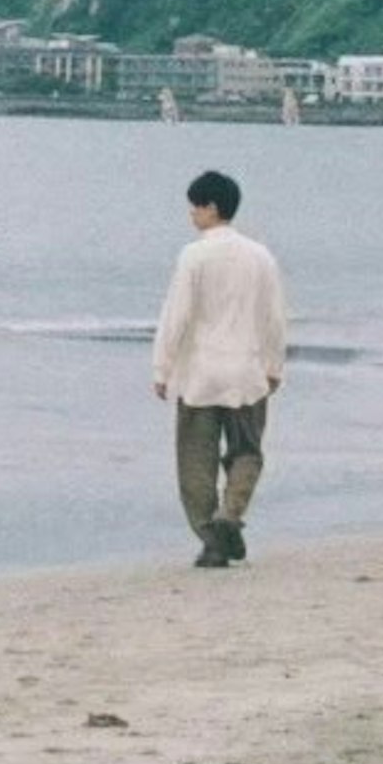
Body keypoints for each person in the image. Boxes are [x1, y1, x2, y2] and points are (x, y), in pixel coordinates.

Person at [151, 167, 288, 568]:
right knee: (247, 452)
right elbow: (274, 317)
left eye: (195, 207)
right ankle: (230, 517)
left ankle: (212, 536)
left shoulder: (194, 255)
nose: (192, 215)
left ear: (211, 208)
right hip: (247, 372)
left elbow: (175, 315)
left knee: (196, 461)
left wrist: (162, 368)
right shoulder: (260, 256)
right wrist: (274, 364)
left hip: (201, 374)